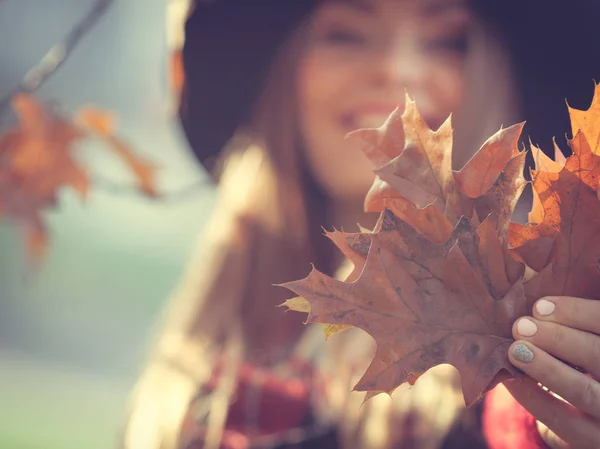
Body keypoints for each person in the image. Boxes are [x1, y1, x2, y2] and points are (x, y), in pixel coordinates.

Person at [121, 1, 600, 448]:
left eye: (447, 42)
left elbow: (516, 420)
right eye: (347, 35)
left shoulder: (541, 320)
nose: (397, 70)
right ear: (283, 77)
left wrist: (547, 415)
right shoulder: (195, 382)